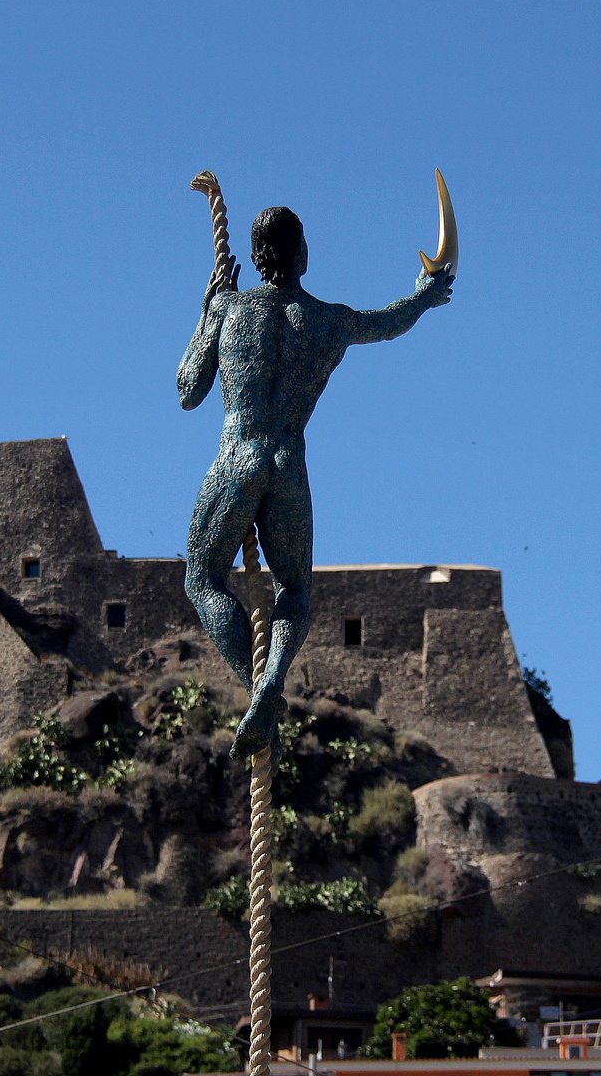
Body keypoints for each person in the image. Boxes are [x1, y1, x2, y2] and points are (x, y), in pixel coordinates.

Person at [178, 206, 453, 761]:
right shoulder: (329, 321)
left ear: (256, 258)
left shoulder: (230, 307)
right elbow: (390, 320)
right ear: (301, 253)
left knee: (203, 578)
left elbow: (188, 389)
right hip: (287, 463)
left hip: (238, 455)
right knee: (294, 591)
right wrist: (424, 294)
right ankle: (274, 681)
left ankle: (257, 689)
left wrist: (207, 310)